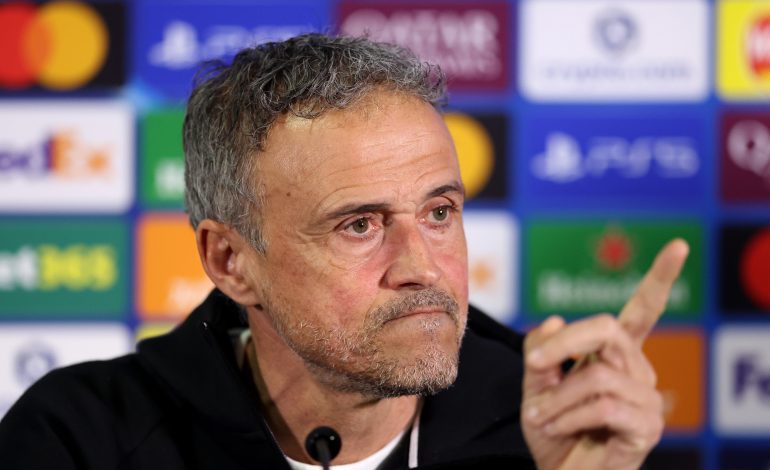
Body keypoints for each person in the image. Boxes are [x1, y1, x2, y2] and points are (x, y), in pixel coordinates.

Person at [0, 33, 688, 469]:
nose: (423, 267)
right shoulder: (79, 439)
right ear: (231, 261)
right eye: (359, 225)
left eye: (439, 212)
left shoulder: (564, 428)